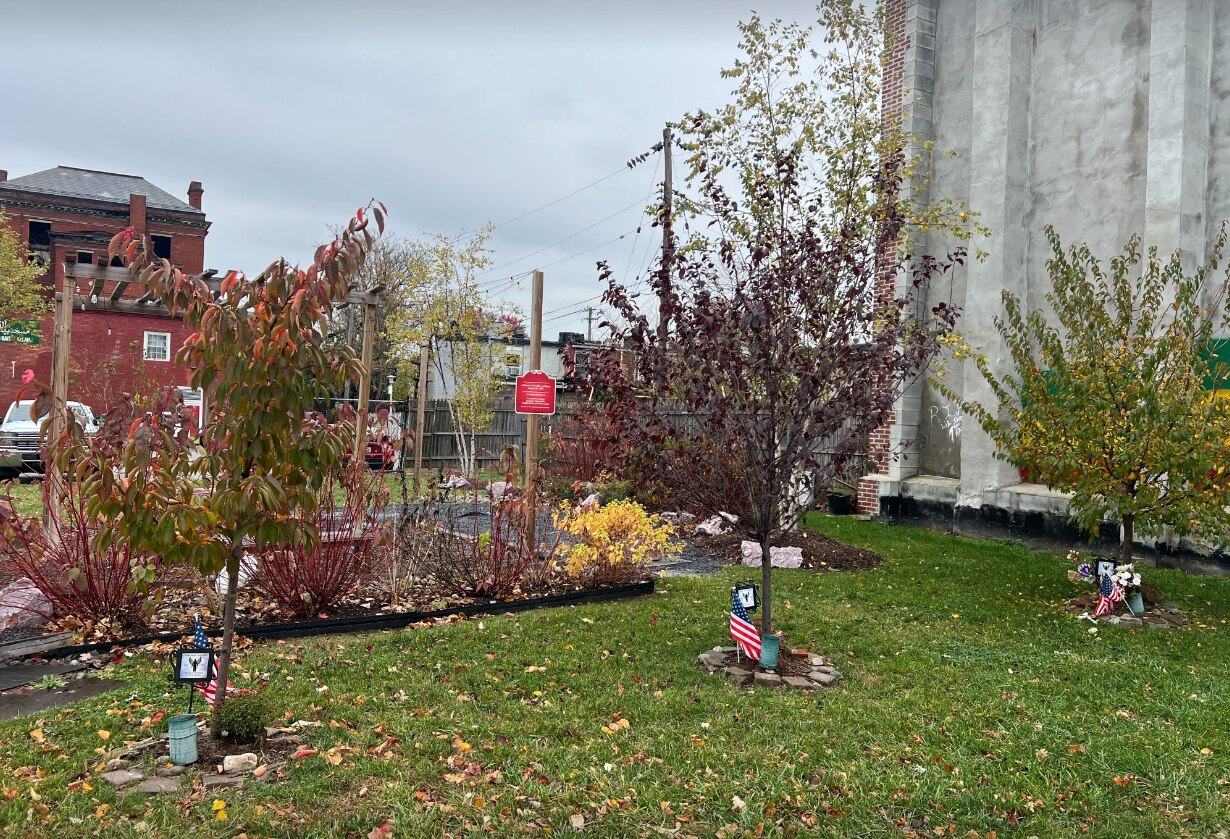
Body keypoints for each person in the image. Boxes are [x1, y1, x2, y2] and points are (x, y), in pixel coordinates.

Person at [368, 405, 403, 469]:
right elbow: (371, 436)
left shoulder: (391, 423)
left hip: (388, 454)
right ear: (377, 414)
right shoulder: (373, 422)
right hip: (375, 456)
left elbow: (395, 437)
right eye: (381, 413)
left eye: (385, 413)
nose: (383, 416)